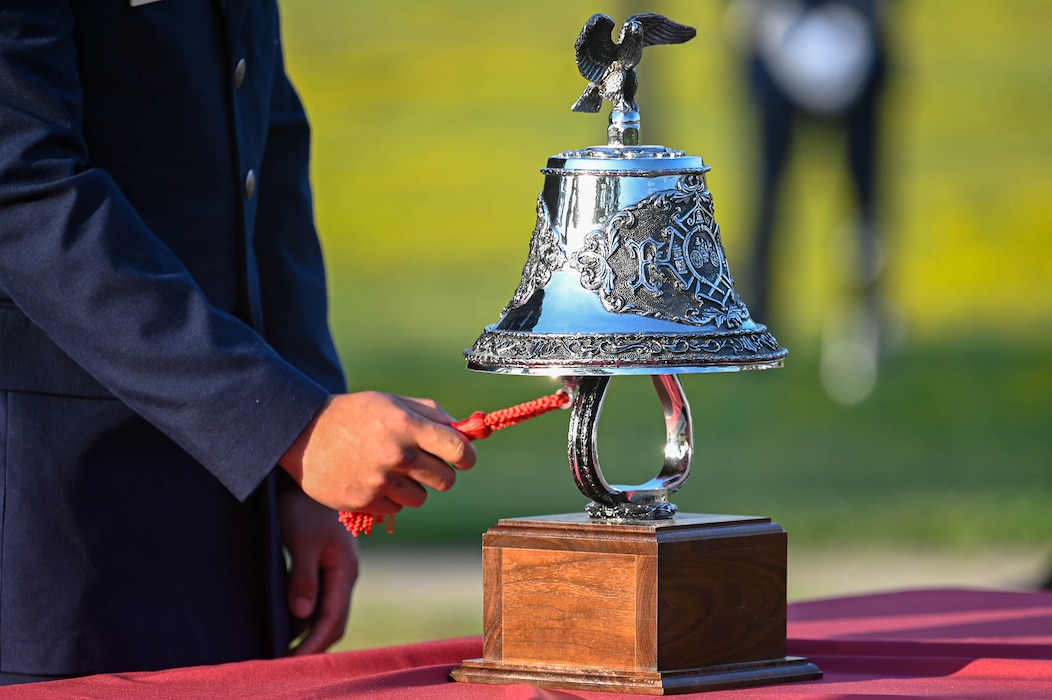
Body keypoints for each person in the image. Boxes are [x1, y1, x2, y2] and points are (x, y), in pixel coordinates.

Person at [0, 0, 475, 685]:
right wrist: (293, 425)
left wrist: (301, 438)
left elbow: (259, 126)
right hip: (54, 528)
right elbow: (21, 187)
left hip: (227, 502)